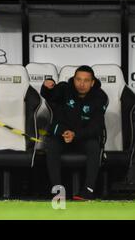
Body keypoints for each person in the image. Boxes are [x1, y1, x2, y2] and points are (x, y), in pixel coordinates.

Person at [41, 65, 108, 200]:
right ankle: (58, 192)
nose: (81, 84)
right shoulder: (64, 88)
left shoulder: (99, 96)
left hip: (83, 137)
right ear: (74, 79)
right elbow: (49, 95)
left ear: (92, 82)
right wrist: (46, 86)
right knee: (52, 145)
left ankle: (88, 191)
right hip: (62, 135)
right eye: (78, 79)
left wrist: (75, 134)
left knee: (94, 145)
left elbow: (97, 127)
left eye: (86, 80)